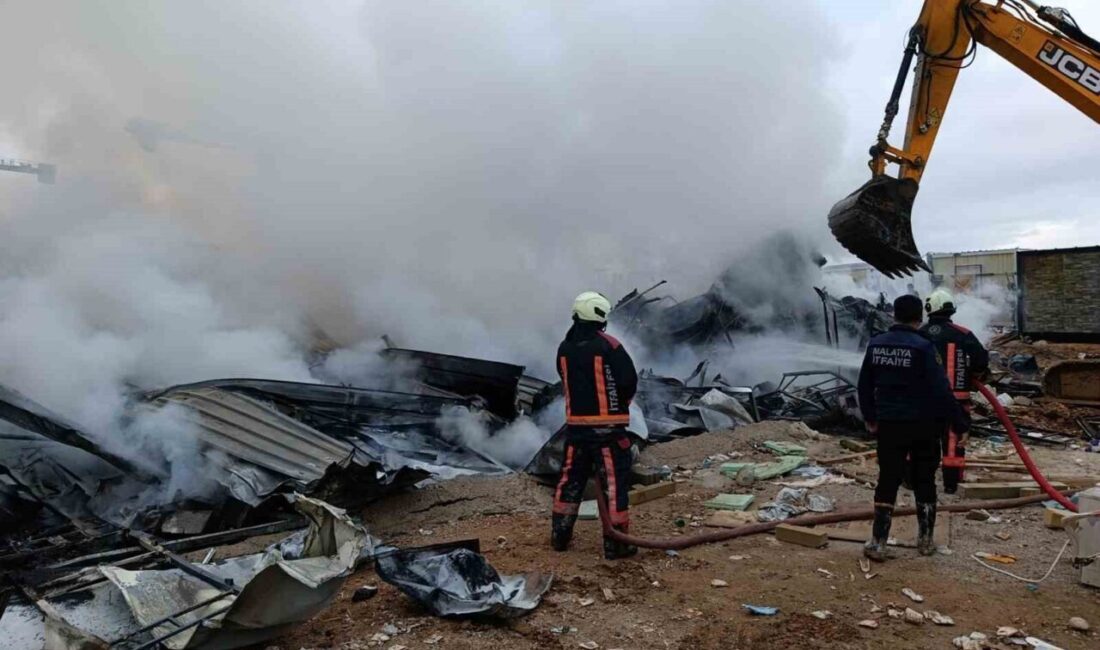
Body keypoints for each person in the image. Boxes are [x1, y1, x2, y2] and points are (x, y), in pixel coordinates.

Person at [857, 294, 967, 560]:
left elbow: (864, 385)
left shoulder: (876, 344)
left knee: (888, 479)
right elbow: (941, 390)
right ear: (919, 317)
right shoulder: (924, 347)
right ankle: (925, 541)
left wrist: (870, 417)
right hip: (924, 426)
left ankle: (878, 542)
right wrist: (959, 422)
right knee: (924, 480)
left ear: (894, 315)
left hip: (889, 425)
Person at [551, 291, 639, 560]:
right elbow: (628, 382)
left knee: (569, 481)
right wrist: (618, 406)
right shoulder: (609, 346)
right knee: (613, 486)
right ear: (600, 316)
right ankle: (617, 544)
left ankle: (560, 536)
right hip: (607, 432)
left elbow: (563, 378)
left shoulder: (564, 348)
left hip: (576, 430)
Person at [920, 288, 990, 494]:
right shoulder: (963, 334)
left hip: (923, 399)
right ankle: (951, 485)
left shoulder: (919, 334)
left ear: (929, 308)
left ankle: (916, 479)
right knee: (953, 441)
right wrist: (973, 375)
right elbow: (981, 359)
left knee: (921, 438)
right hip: (957, 399)